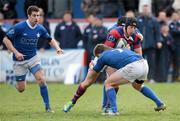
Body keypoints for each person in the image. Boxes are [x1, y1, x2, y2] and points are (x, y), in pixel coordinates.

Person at [63, 44, 166, 115]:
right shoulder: (117, 50)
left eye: (97, 56)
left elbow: (95, 71)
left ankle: (114, 110)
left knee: (108, 83)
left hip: (133, 67)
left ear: (99, 54)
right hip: (144, 64)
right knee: (137, 86)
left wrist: (91, 66)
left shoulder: (102, 56)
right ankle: (159, 103)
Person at [3, 5, 63, 113]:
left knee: (41, 79)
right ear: (28, 16)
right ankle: (16, 83)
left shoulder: (40, 28)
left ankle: (48, 107)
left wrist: (57, 48)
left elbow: (49, 39)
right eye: (34, 15)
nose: (37, 18)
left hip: (33, 58)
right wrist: (15, 52)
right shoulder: (19, 27)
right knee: (21, 89)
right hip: (19, 61)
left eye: (38, 15)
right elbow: (6, 39)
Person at [101, 17, 143, 113]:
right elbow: (107, 50)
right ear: (123, 26)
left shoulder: (135, 33)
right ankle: (107, 106)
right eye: (130, 27)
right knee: (110, 82)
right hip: (111, 58)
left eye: (134, 28)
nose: (132, 30)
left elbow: (139, 53)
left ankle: (108, 106)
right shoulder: (113, 32)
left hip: (125, 59)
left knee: (110, 82)